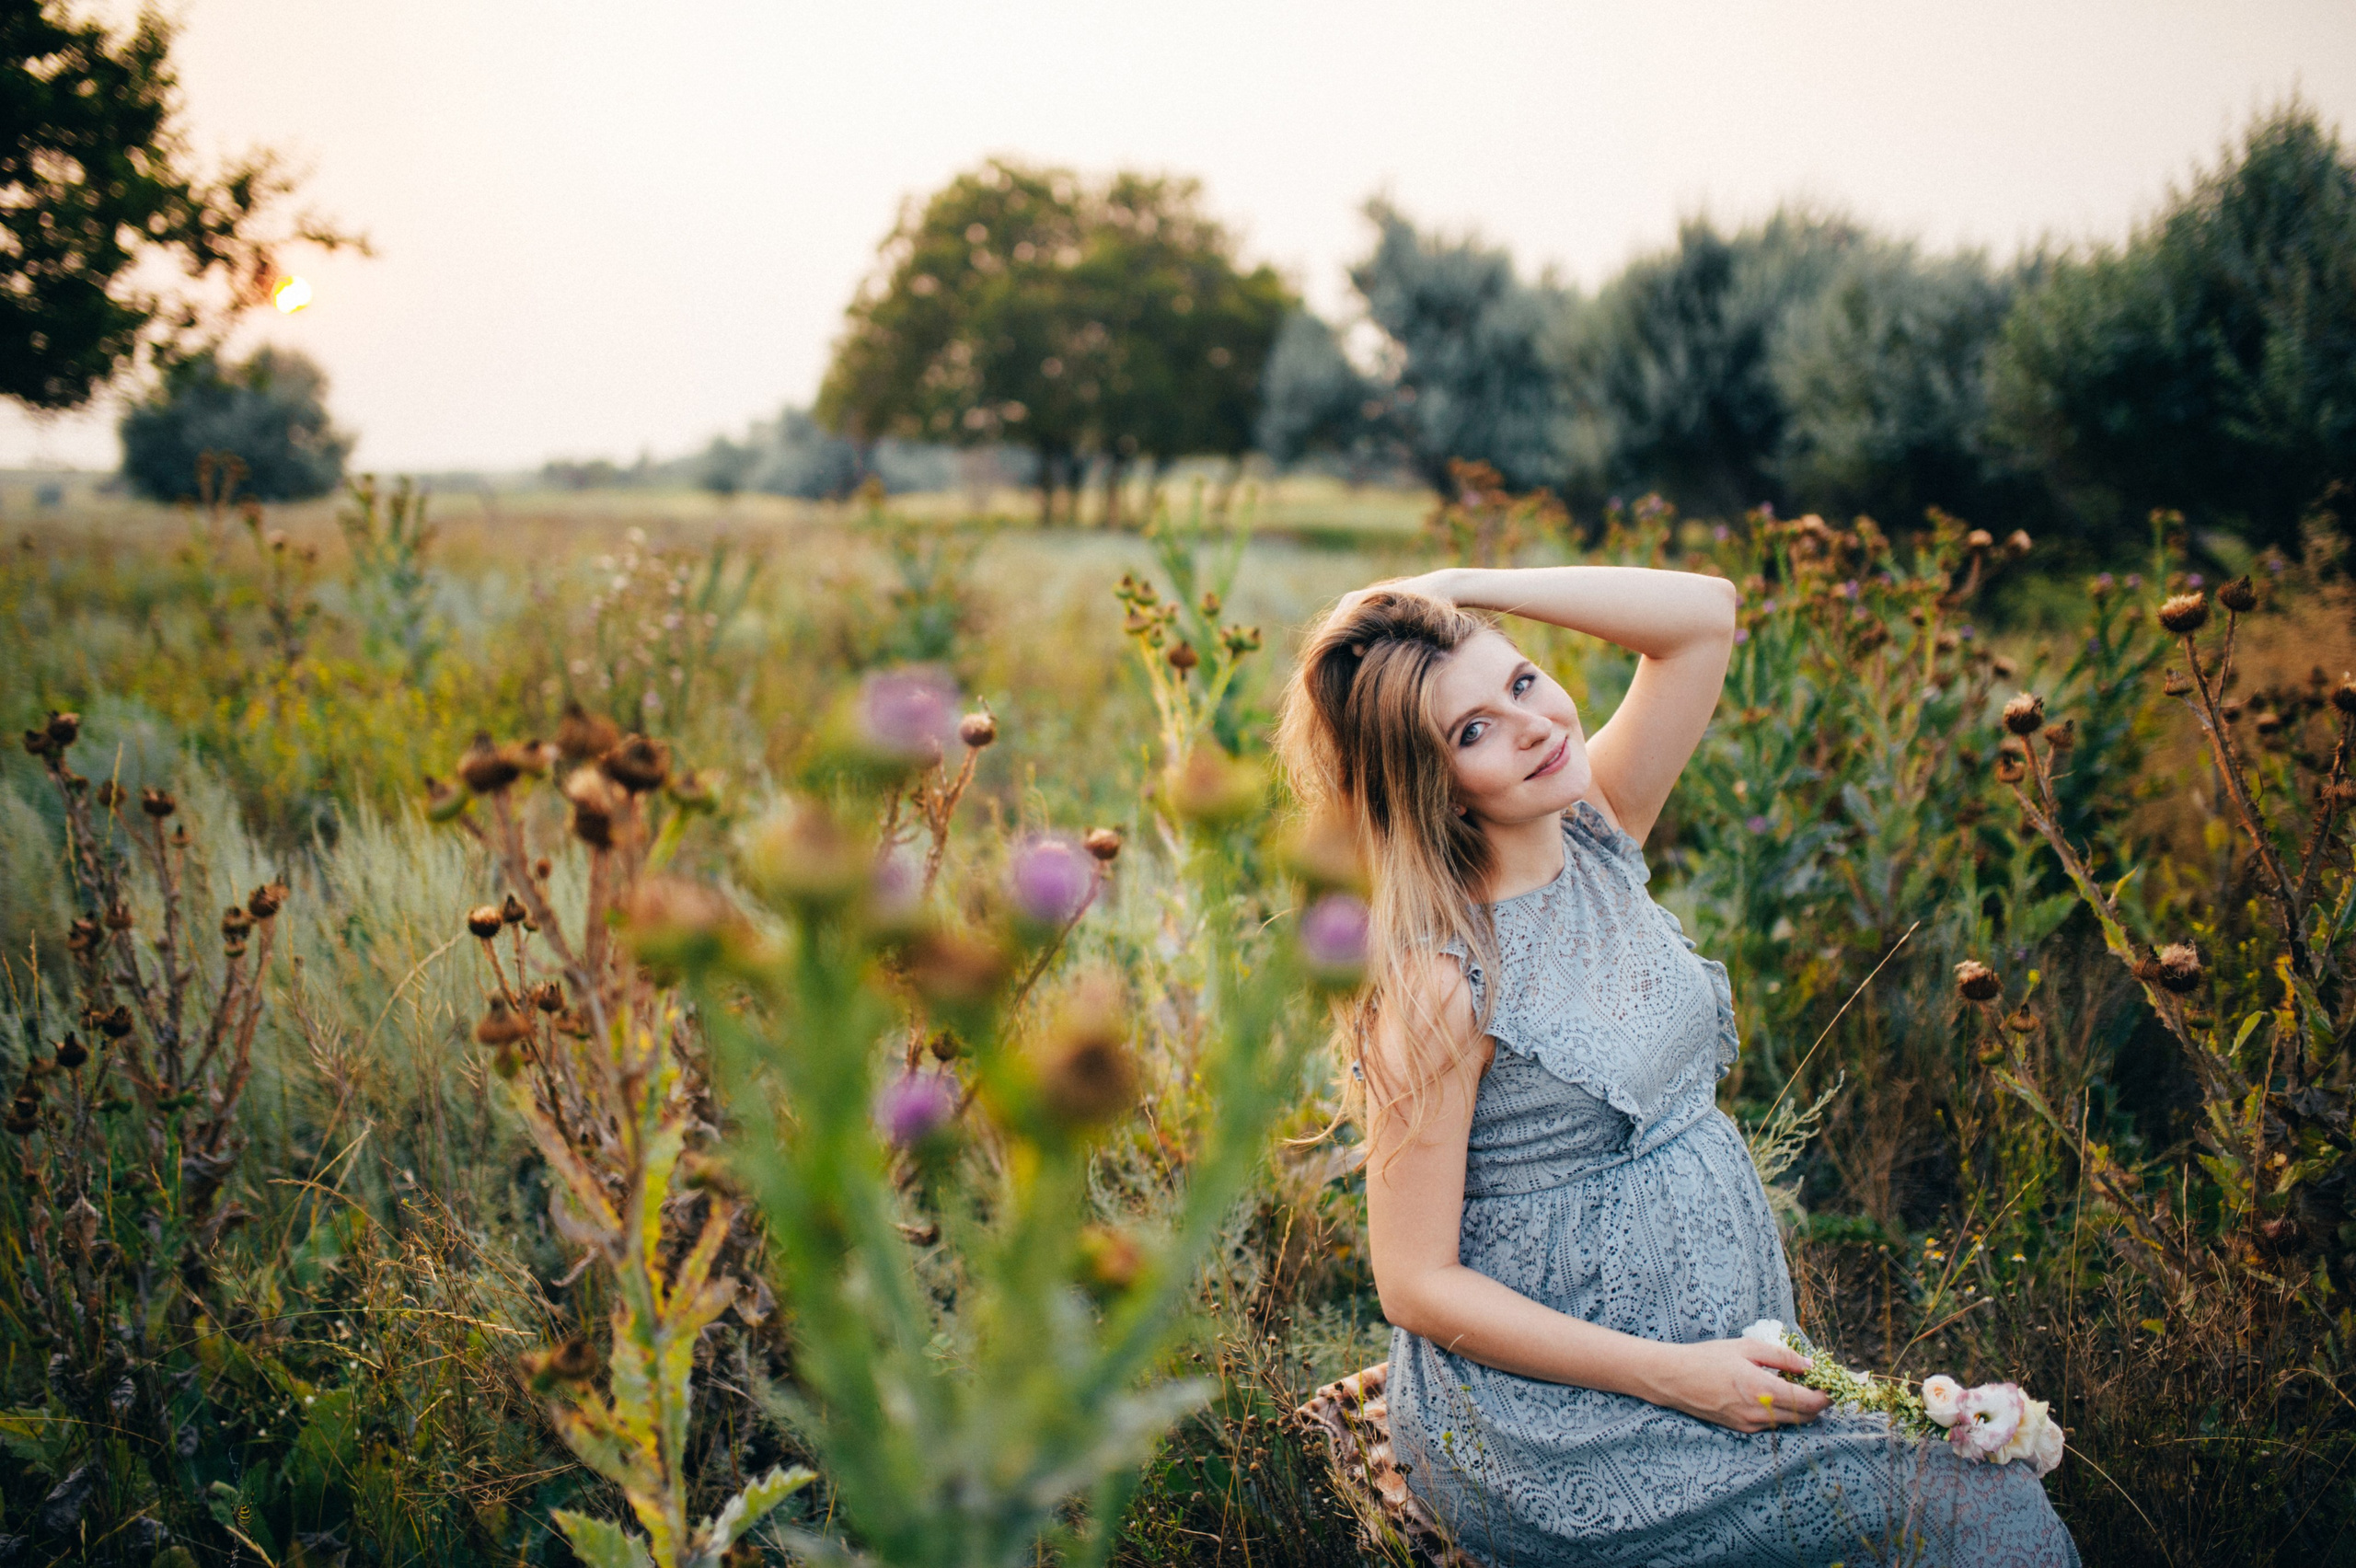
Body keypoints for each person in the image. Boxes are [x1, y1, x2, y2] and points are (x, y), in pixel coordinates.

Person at [1275, 566, 2078, 1567]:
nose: (1529, 726)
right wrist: (1674, 1375)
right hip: (1560, 1425)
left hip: (1714, 1358)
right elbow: (1415, 1283)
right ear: (1427, 785)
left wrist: (1454, 587)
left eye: (1521, 683)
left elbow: (1704, 618)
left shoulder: (1595, 826)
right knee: (1976, 1500)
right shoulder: (1442, 979)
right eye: (1469, 732)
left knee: (1954, 1491)